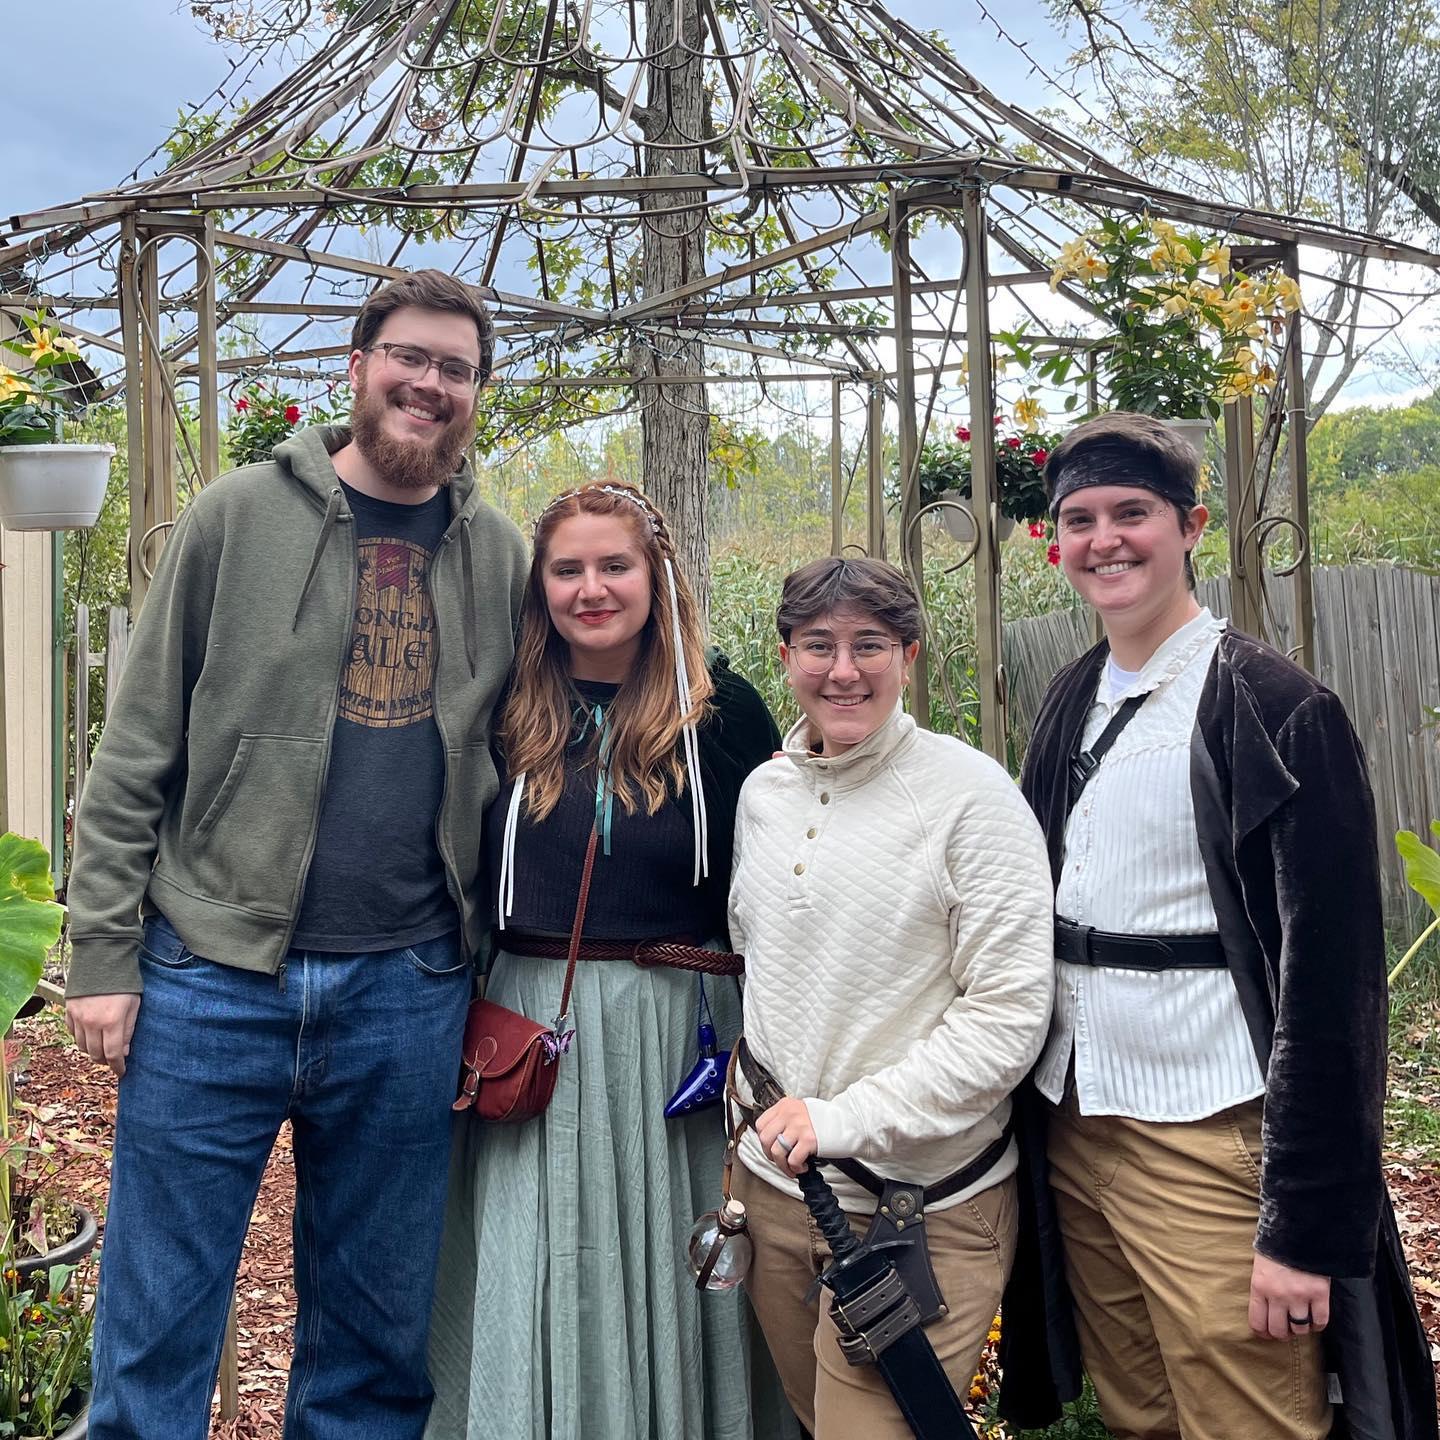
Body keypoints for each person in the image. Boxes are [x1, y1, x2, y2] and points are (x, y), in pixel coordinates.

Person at [64, 269, 528, 1440]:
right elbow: (134, 750)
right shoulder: (236, 517)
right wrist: (104, 955)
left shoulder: (498, 554)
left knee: (373, 1344)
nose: (430, 385)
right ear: (359, 363)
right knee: (158, 1320)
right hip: (210, 974)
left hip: (409, 987)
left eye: (456, 369)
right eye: (409, 358)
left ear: (476, 393)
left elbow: (545, 732)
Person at [997, 411, 1437, 1440]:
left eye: (1132, 513)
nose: (1104, 538)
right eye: (1080, 518)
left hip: (1214, 1135)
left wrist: (1305, 1228)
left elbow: (1336, 986)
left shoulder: (1275, 706)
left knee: (1249, 1418)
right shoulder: (1072, 697)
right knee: (1141, 1412)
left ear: (1191, 525)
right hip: (1077, 1121)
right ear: (1053, 543)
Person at [425, 481, 793, 1440]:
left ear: (656, 573)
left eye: (615, 565)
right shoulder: (504, 705)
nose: (592, 588)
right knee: (543, 1253)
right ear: (539, 585)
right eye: (568, 569)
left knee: (678, 1255)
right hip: (530, 1022)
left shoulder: (723, 713)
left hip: (683, 1028)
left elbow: (780, 873)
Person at [723, 555, 1055, 1438]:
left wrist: (842, 1118)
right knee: (810, 1419)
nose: (843, 670)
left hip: (918, 1213)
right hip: (775, 1195)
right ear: (785, 655)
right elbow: (764, 964)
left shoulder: (970, 799)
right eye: (819, 645)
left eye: (870, 644)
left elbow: (1007, 1017)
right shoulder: (763, 794)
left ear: (908, 656)